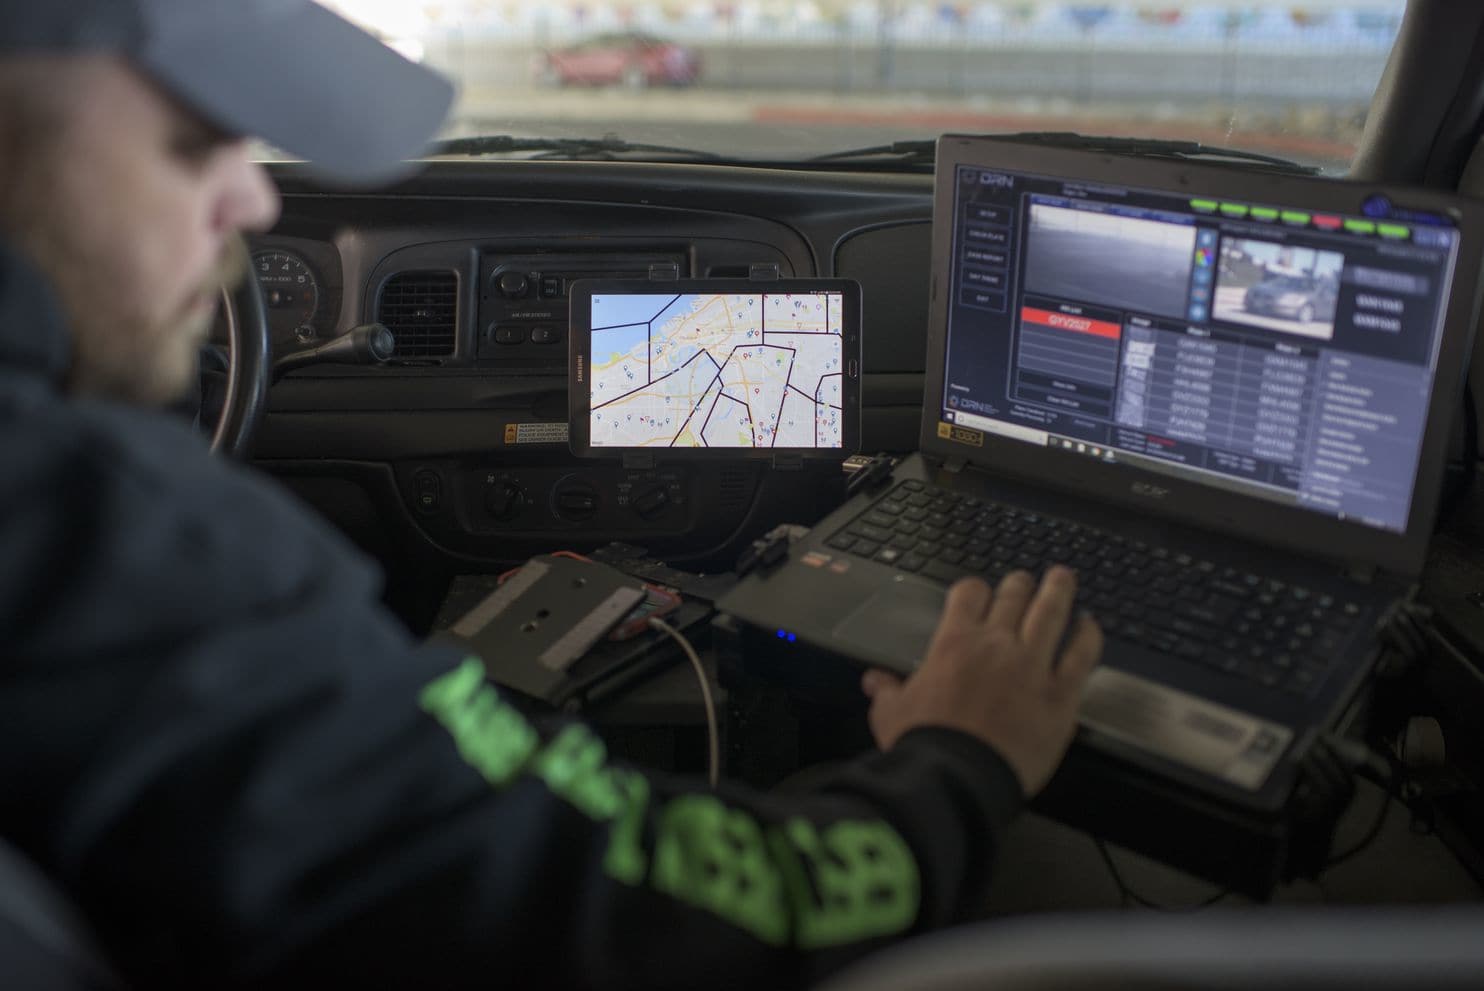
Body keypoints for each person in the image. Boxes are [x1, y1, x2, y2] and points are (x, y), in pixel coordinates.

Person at [0, 2, 1103, 988]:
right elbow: (676, 919)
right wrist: (962, 760)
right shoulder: (105, 544)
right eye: (194, 138)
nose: (253, 195)